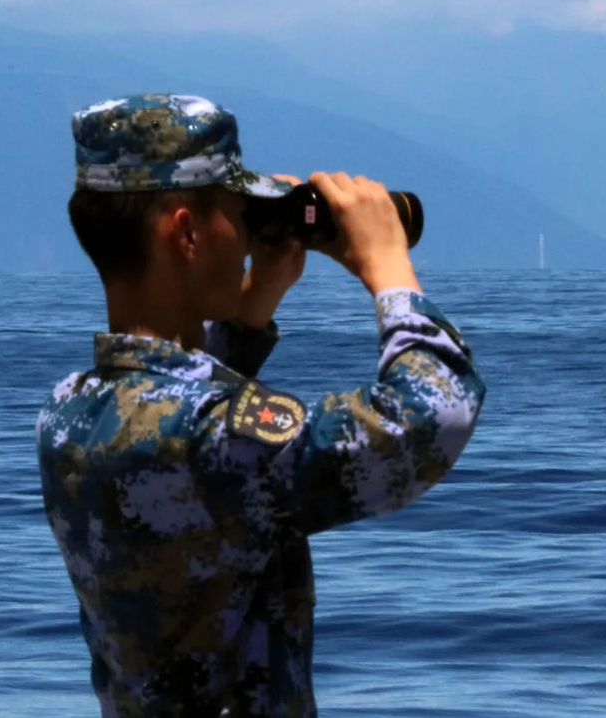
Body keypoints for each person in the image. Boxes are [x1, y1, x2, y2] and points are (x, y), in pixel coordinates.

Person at [36, 93, 485, 717]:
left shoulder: (69, 413)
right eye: (237, 214)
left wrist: (256, 300)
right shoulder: (208, 438)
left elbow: (174, 402)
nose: (248, 237)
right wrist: (388, 267)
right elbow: (429, 419)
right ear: (187, 231)